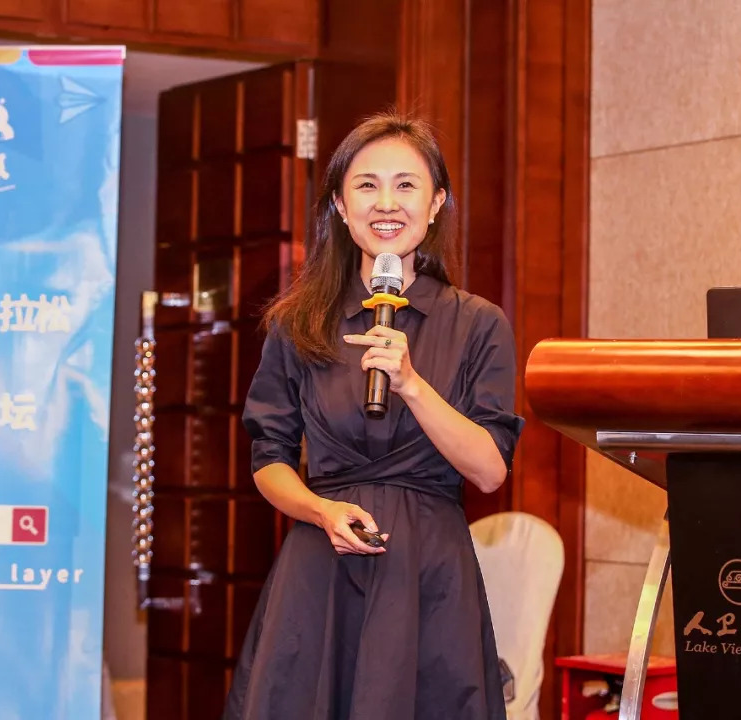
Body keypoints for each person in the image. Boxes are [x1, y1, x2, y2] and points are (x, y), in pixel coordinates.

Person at [223, 112, 524, 720]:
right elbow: (269, 459)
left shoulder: (478, 324)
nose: (386, 203)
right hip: (322, 568)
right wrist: (320, 510)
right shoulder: (298, 323)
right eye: (366, 185)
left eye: (406, 185)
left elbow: (490, 471)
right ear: (340, 205)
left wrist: (411, 383)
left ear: (436, 204)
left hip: (428, 574)